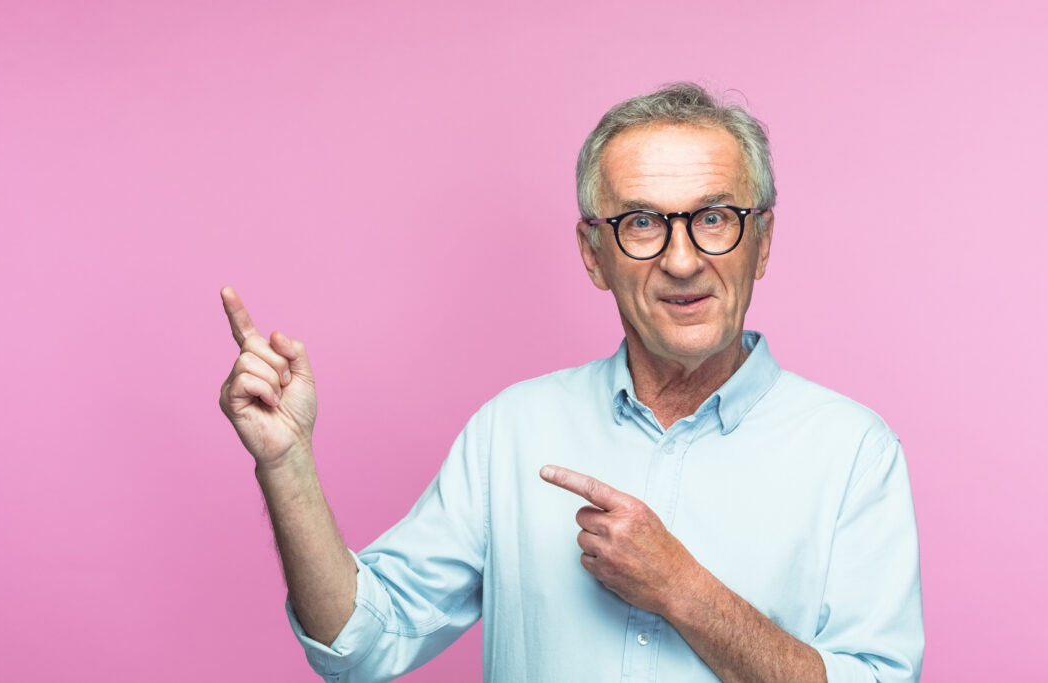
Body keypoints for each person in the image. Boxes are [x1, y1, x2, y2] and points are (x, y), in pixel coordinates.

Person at [218, 82, 924, 683]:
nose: (682, 260)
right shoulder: (512, 430)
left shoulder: (854, 450)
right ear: (594, 253)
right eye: (642, 222)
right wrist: (286, 466)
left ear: (762, 241)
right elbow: (361, 644)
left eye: (714, 218)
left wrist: (684, 590)